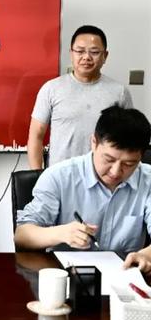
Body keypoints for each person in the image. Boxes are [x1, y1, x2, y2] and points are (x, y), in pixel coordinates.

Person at [15, 105, 151, 273]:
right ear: (94, 143)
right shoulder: (59, 177)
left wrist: (146, 255)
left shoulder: (148, 180)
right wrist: (60, 233)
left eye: (129, 164)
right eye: (109, 159)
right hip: (66, 277)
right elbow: (22, 235)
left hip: (125, 275)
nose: (115, 171)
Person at [27, 25, 133, 169]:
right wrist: (37, 175)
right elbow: (36, 136)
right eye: (80, 51)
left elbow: (129, 138)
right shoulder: (51, 89)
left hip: (104, 176)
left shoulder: (120, 92)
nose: (86, 57)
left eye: (94, 52)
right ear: (71, 54)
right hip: (60, 175)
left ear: (105, 56)